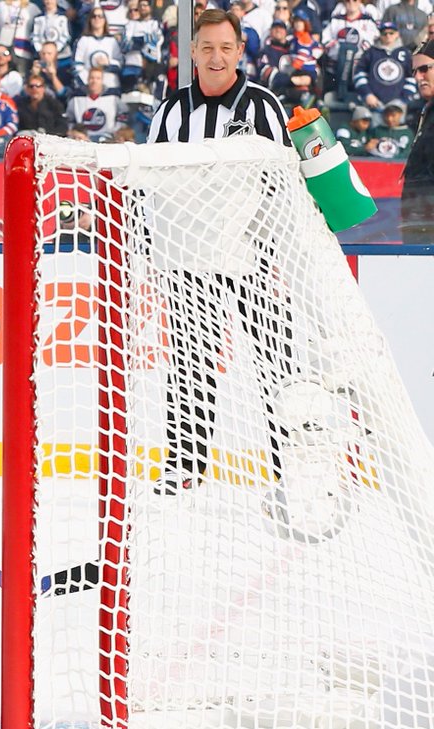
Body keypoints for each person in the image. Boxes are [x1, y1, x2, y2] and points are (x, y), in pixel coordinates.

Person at [146, 8, 293, 494]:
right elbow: (151, 187)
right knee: (189, 363)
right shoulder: (169, 113)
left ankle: (289, 466)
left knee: (277, 365)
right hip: (190, 261)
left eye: (225, 48)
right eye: (206, 47)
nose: (216, 57)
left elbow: (282, 185)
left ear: (239, 52)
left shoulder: (263, 107)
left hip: (255, 260)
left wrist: (277, 254)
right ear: (192, 52)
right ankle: (184, 466)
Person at [400, 40, 434, 242]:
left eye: (424, 69)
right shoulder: (426, 110)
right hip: (419, 220)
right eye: (414, 71)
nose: (418, 77)